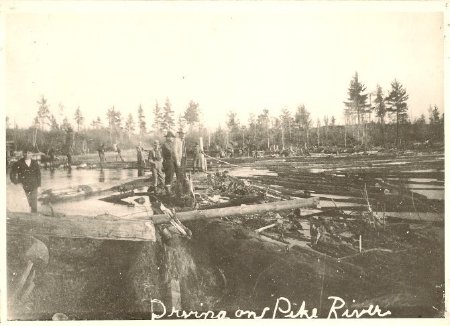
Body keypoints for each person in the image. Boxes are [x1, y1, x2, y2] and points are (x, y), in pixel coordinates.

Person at [162, 131, 182, 195]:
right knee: (169, 175)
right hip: (168, 161)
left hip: (173, 161)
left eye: (172, 137)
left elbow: (175, 151)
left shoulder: (173, 143)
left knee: (178, 173)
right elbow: (171, 152)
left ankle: (177, 188)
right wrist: (175, 151)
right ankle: (167, 190)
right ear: (167, 137)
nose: (171, 138)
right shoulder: (165, 144)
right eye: (169, 137)